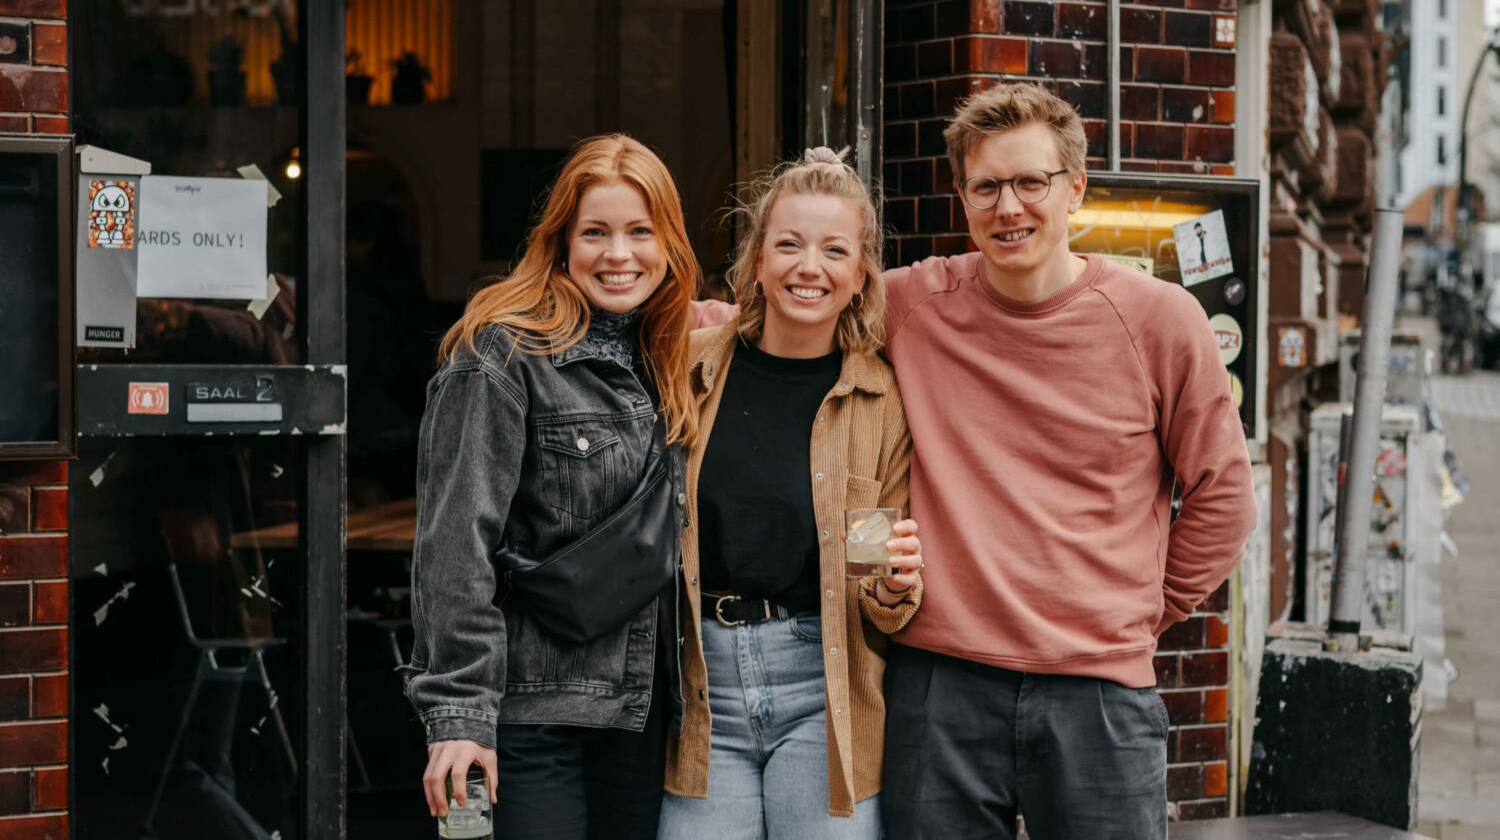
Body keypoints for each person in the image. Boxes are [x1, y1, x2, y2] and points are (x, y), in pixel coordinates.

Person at [694, 83, 1255, 839]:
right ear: (962, 196)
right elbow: (799, 300)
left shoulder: (1161, 321)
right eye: (987, 186)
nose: (1009, 207)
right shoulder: (917, 304)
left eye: (1031, 182)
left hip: (1097, 693)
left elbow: (1224, 497)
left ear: (1075, 187)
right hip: (941, 687)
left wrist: (1141, 611)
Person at [404, 133, 701, 840]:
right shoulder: (499, 354)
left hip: (639, 714)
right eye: (595, 231)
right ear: (561, 239)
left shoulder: (669, 356)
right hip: (532, 714)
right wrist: (460, 714)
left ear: (668, 244)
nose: (618, 254)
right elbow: (453, 544)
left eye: (640, 231)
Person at [659, 148, 923, 840]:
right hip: (699, 689)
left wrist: (893, 588)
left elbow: (874, 579)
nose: (811, 267)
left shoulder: (877, 401)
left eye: (835, 249)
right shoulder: (691, 366)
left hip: (823, 690)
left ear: (860, 272)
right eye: (789, 244)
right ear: (756, 261)